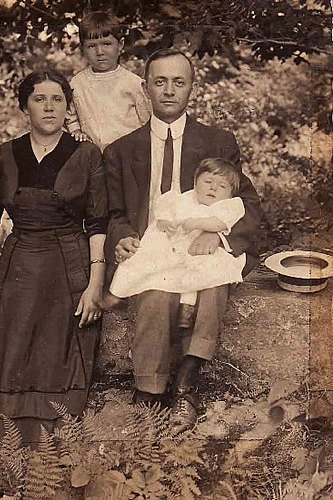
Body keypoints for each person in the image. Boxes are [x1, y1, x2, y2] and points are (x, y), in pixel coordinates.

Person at [104, 48, 261, 429]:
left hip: (201, 243)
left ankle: (187, 385)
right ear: (146, 89)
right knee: (156, 291)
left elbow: (248, 203)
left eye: (178, 82)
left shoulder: (218, 142)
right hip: (154, 246)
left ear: (192, 87)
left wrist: (219, 236)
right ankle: (150, 391)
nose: (169, 91)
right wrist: (123, 235)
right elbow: (112, 213)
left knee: (215, 279)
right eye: (160, 82)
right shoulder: (122, 150)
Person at [0, 70, 108, 448]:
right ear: (24, 105)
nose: (49, 107)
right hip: (19, 265)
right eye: (39, 98)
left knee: (59, 358)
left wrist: (94, 285)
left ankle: (56, 454)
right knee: (11, 355)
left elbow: (97, 223)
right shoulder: (3, 156)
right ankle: (10, 455)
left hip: (69, 267)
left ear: (68, 106)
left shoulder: (86, 154)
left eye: (57, 99)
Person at [108, 158, 246, 325]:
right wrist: (166, 224)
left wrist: (196, 223)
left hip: (203, 250)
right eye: (208, 181)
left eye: (222, 186)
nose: (213, 187)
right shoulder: (182, 199)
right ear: (195, 184)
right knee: (156, 269)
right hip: (174, 247)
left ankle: (186, 309)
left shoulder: (227, 206)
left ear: (230, 195)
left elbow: (219, 223)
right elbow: (163, 215)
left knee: (201, 271)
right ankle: (122, 294)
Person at [65, 10, 150, 151]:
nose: (100, 52)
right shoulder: (77, 84)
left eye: (107, 44)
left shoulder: (133, 83)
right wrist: (76, 131)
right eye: (92, 46)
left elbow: (147, 122)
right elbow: (71, 116)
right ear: (83, 49)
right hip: (94, 158)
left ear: (120, 44)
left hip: (128, 156)